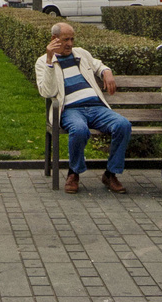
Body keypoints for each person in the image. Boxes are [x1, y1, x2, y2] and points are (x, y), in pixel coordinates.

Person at [36, 22, 131, 194]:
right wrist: (50, 61)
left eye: (72, 39)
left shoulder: (81, 53)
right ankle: (74, 173)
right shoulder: (43, 62)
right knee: (79, 130)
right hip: (70, 109)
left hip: (95, 107)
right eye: (66, 40)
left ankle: (111, 174)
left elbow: (97, 64)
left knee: (123, 125)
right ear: (54, 39)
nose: (70, 44)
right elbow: (46, 91)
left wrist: (106, 72)